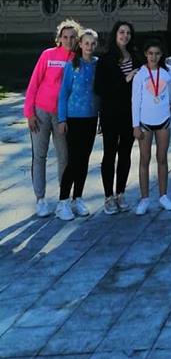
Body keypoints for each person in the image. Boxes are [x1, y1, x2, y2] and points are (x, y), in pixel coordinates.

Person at [24, 19, 81, 217]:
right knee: (39, 156)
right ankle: (40, 199)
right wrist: (29, 113)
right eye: (65, 37)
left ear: (77, 39)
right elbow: (34, 83)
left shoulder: (77, 59)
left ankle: (63, 199)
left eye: (72, 37)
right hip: (41, 112)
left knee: (64, 157)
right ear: (59, 38)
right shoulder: (48, 55)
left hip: (63, 116)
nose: (69, 40)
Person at [132, 38, 171, 215]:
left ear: (161, 54)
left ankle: (163, 196)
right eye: (150, 53)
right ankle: (144, 198)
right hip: (145, 122)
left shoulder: (167, 70)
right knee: (144, 159)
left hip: (164, 121)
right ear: (145, 54)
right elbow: (135, 100)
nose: (153, 57)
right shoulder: (140, 74)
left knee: (162, 158)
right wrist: (135, 125)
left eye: (157, 54)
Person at [95, 21, 141, 214]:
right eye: (122, 32)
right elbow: (100, 88)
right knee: (109, 154)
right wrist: (125, 79)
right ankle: (108, 196)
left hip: (130, 114)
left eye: (128, 33)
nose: (125, 36)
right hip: (111, 113)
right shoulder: (105, 59)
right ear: (115, 34)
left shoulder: (137, 58)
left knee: (125, 154)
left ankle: (120, 193)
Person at [55, 28, 100, 221]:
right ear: (80, 44)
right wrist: (62, 119)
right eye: (86, 43)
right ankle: (63, 201)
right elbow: (63, 93)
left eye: (92, 43)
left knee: (84, 160)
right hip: (74, 118)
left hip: (91, 117)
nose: (89, 46)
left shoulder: (97, 65)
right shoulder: (71, 65)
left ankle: (77, 198)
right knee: (74, 160)